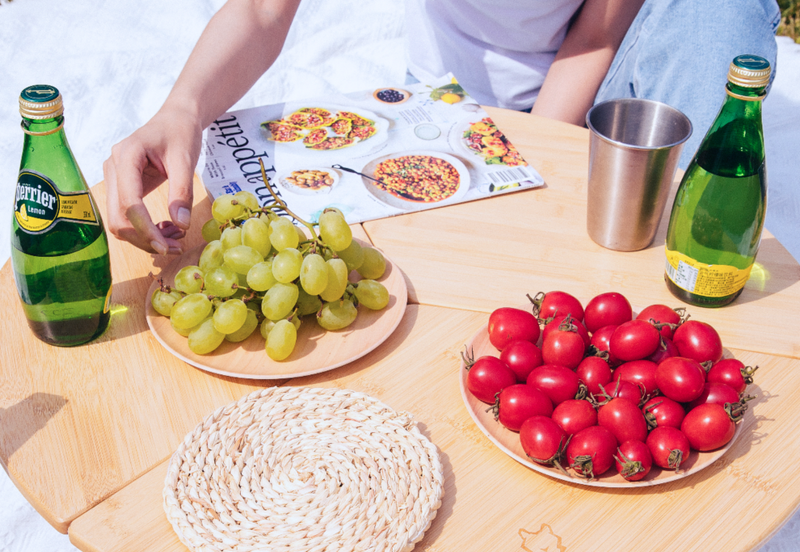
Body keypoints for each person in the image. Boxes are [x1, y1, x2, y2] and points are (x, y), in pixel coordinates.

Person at [103, 0, 780, 256]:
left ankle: (690, 256)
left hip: (598, 88)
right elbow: (261, 8)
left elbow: (598, 32)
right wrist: (182, 110)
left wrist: (524, 159)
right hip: (454, 106)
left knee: (723, 10)